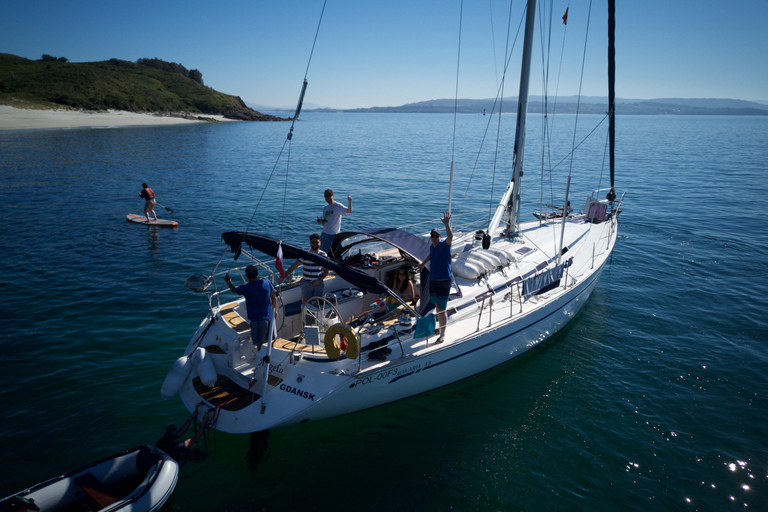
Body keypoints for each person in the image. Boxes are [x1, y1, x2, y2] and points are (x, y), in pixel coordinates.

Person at [417, 212, 453, 344]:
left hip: (444, 282)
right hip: (433, 281)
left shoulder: (445, 245)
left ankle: (442, 335)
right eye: (432, 236)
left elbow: (450, 237)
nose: (434, 238)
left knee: (442, 309)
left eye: (436, 236)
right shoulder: (432, 247)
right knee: (437, 307)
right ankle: (440, 328)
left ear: (440, 237)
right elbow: (430, 256)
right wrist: (422, 263)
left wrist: (447, 224)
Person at [224, 265, 278, 351]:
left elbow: (234, 290)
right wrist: (275, 311)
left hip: (257, 321)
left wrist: (228, 282)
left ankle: (262, 359)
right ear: (257, 274)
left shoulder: (246, 288)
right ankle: (271, 356)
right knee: (270, 340)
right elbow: (274, 298)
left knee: (259, 343)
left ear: (246, 276)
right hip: (270, 318)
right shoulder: (267, 283)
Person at [278, 233, 328, 304]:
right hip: (306, 284)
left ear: (320, 243)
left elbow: (326, 271)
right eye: (313, 242)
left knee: (318, 304)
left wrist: (319, 280)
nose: (315, 244)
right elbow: (294, 266)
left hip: (318, 284)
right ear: (310, 243)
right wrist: (282, 277)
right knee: (305, 304)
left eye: (317, 242)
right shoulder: (305, 254)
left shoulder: (323, 255)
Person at [317, 189, 352, 255]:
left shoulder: (337, 206)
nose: (328, 197)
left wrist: (350, 201)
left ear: (333, 196)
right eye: (326, 196)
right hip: (324, 234)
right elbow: (324, 222)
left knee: (334, 253)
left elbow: (349, 211)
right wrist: (320, 222)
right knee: (321, 253)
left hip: (334, 234)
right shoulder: (325, 208)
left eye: (329, 195)